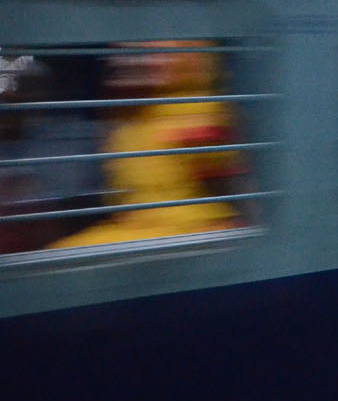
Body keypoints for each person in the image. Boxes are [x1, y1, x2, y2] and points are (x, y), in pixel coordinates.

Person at [49, 41, 247, 248]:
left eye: (150, 54)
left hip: (188, 230)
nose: (131, 63)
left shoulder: (198, 113)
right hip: (143, 229)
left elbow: (227, 185)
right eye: (126, 56)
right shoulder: (131, 120)